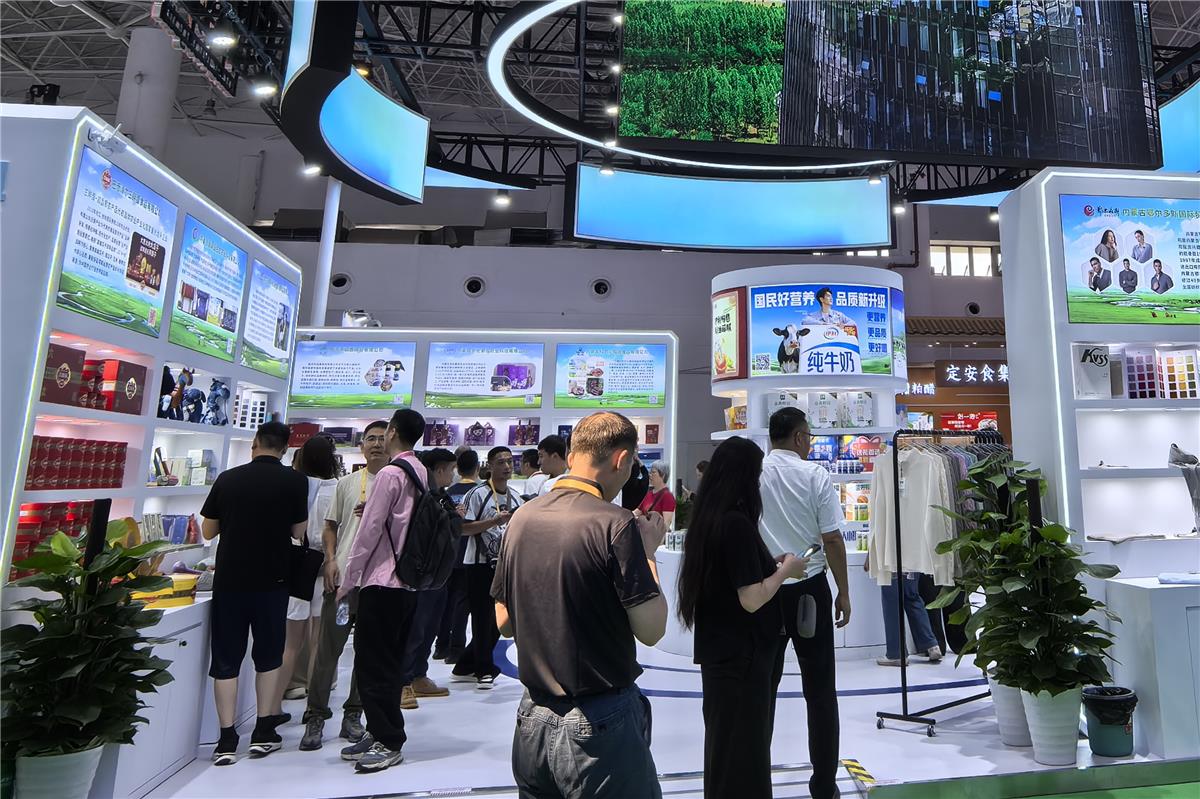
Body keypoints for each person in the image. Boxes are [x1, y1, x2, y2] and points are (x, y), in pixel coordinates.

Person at [492, 411, 668, 799]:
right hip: (599, 724)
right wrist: (648, 553)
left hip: (532, 719)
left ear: (572, 456)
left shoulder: (521, 518)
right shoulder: (616, 524)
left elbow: (503, 621)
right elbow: (652, 629)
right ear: (622, 459)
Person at [677, 437, 809, 799]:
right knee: (744, 753)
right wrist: (786, 571)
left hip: (723, 652)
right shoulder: (735, 523)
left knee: (725, 750)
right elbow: (751, 599)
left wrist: (769, 565)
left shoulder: (710, 519)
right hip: (742, 657)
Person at [200, 421, 309, 766]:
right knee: (269, 657)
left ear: (255, 442)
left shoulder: (228, 479)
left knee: (226, 661)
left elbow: (208, 530)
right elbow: (298, 532)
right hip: (273, 581)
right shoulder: (295, 481)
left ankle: (226, 739)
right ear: (286, 448)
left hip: (230, 582)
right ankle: (263, 732)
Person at [758, 408, 850, 799]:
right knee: (820, 689)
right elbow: (832, 538)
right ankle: (824, 786)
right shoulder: (815, 475)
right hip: (809, 589)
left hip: (765, 590)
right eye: (808, 437)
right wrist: (844, 591)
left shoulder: (754, 473)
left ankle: (757, 780)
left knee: (763, 688)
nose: (810, 444)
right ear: (798, 437)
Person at [336, 408, 428, 773]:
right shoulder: (417, 469)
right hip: (407, 581)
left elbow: (369, 531)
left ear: (392, 432)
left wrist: (349, 579)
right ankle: (379, 731)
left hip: (382, 580)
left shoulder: (390, 473)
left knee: (373, 664)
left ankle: (388, 740)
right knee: (388, 661)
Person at [300, 421, 389, 752]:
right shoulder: (348, 483)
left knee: (367, 654)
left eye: (382, 439)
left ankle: (354, 714)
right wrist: (330, 559)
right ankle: (315, 715)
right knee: (328, 651)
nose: (376, 444)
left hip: (378, 585)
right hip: (343, 585)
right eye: (371, 439)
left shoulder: (398, 484)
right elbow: (330, 525)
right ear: (362, 446)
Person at [274, 436, 340, 717]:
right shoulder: (338, 488)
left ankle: (273, 707)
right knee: (319, 643)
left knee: (290, 644)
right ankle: (314, 707)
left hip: (297, 568)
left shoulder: (294, 485)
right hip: (328, 569)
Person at [451, 446, 524, 689]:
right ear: (489, 466)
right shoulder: (477, 494)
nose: (506, 466)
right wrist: (494, 521)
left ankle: (465, 665)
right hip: (478, 565)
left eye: (509, 461)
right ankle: (484, 669)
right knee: (482, 617)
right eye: (500, 462)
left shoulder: (516, 497)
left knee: (501, 620)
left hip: (504, 565)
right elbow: (463, 528)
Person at [397, 448, 460, 709]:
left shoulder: (442, 497)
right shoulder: (418, 495)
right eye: (450, 470)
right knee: (415, 628)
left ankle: (418, 675)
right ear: (439, 470)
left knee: (431, 626)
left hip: (439, 573)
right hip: (419, 573)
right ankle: (401, 682)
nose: (453, 475)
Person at [433, 448, 479, 663]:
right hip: (468, 554)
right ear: (477, 468)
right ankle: (456, 648)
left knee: (445, 603)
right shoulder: (479, 493)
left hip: (447, 555)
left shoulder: (448, 493)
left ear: (458, 469)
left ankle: (440, 646)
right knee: (462, 603)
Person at [866, 553, 942, 666]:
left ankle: (896, 653)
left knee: (892, 599)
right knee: (912, 595)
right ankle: (931, 645)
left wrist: (870, 554)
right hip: (912, 554)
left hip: (891, 555)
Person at [634, 459, 677, 529]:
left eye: (653, 472)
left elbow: (666, 524)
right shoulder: (649, 494)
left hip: (655, 534)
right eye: (650, 472)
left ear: (663, 475)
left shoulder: (668, 496)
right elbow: (637, 512)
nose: (650, 475)